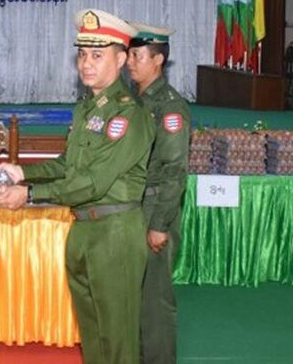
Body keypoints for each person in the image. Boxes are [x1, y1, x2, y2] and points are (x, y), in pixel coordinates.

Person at [0, 9, 156, 364]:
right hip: (83, 230)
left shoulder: (128, 114)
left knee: (118, 343)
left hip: (115, 234)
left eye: (97, 55)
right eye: (82, 54)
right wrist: (24, 173)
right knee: (93, 338)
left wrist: (31, 195)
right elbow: (67, 166)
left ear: (122, 58)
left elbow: (94, 182)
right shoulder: (87, 109)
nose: (86, 64)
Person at [126, 21, 190, 364]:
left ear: (157, 60)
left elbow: (174, 170)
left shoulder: (169, 108)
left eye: (137, 55)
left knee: (154, 304)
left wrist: (160, 224)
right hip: (132, 208)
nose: (130, 62)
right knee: (133, 300)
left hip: (153, 210)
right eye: (130, 55)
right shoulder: (135, 102)